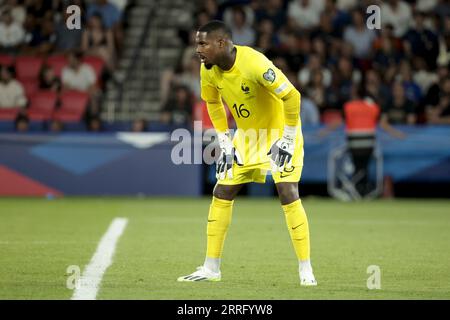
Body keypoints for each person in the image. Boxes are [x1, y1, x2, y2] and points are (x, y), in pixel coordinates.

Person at [177, 21, 317, 286]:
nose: (198, 49)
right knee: (222, 191)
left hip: (280, 133)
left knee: (287, 191)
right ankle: (211, 268)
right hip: (247, 136)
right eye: (197, 43)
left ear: (221, 43)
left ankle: (305, 269)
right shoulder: (208, 69)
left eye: (202, 43)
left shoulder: (254, 63)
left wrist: (287, 139)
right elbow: (213, 103)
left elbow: (293, 97)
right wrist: (225, 141)